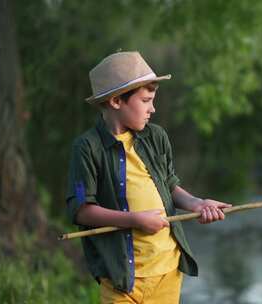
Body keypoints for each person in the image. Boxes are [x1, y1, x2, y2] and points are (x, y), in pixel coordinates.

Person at [66, 51, 231, 304]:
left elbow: (169, 184)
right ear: (115, 101)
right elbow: (81, 211)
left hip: (167, 269)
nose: (152, 109)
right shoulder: (87, 148)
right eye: (146, 100)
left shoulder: (156, 137)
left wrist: (198, 204)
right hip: (122, 278)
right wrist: (134, 220)